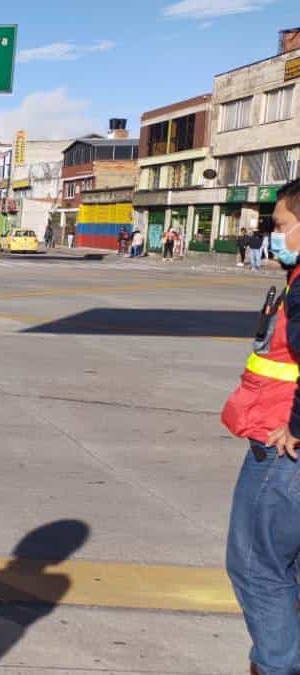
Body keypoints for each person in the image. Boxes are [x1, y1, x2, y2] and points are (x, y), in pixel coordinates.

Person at [222, 179, 300, 675]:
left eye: (281, 224)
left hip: (282, 449)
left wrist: (296, 426)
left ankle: (276, 666)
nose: (274, 234)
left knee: (257, 567)